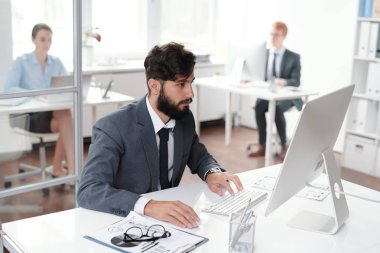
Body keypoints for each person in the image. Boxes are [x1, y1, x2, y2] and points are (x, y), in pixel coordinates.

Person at [77, 42, 243, 229]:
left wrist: (212, 173)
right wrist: (149, 206)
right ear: (154, 85)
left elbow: (198, 155)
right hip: (124, 223)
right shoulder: (113, 127)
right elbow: (88, 191)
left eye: (191, 82)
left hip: (171, 224)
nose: (190, 93)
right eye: (181, 84)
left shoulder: (184, 117)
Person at [4, 23, 74, 179]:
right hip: (29, 115)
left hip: (52, 113)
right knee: (66, 119)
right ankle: (69, 170)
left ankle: (65, 169)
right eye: (43, 39)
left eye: (49, 40)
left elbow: (68, 86)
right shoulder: (22, 61)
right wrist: (34, 94)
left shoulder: (56, 62)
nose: (47, 44)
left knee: (65, 114)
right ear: (33, 40)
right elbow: (8, 89)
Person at [248, 21, 302, 161]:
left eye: (276, 34)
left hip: (287, 96)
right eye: (271, 33)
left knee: (277, 108)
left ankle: (284, 145)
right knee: (259, 106)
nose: (273, 37)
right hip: (268, 94)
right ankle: (262, 145)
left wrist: (283, 81)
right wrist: (247, 77)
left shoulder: (293, 57)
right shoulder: (263, 54)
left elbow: (296, 81)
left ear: (283, 36)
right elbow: (257, 74)